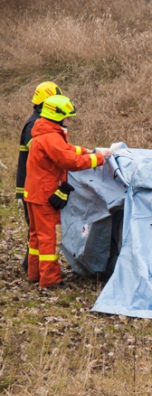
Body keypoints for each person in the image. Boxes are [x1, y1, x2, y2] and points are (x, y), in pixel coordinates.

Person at [24, 95, 109, 288]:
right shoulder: (52, 137)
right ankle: (50, 280)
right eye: (67, 117)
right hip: (46, 196)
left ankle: (35, 274)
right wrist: (99, 159)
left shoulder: (44, 134)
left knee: (36, 237)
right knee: (50, 238)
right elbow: (69, 161)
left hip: (34, 193)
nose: (69, 121)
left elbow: (66, 150)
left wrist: (86, 150)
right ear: (57, 116)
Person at [15, 81, 63, 271]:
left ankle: (32, 268)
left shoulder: (35, 121)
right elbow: (43, 156)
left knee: (36, 232)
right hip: (35, 188)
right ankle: (43, 273)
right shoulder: (37, 124)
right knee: (41, 233)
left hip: (30, 186)